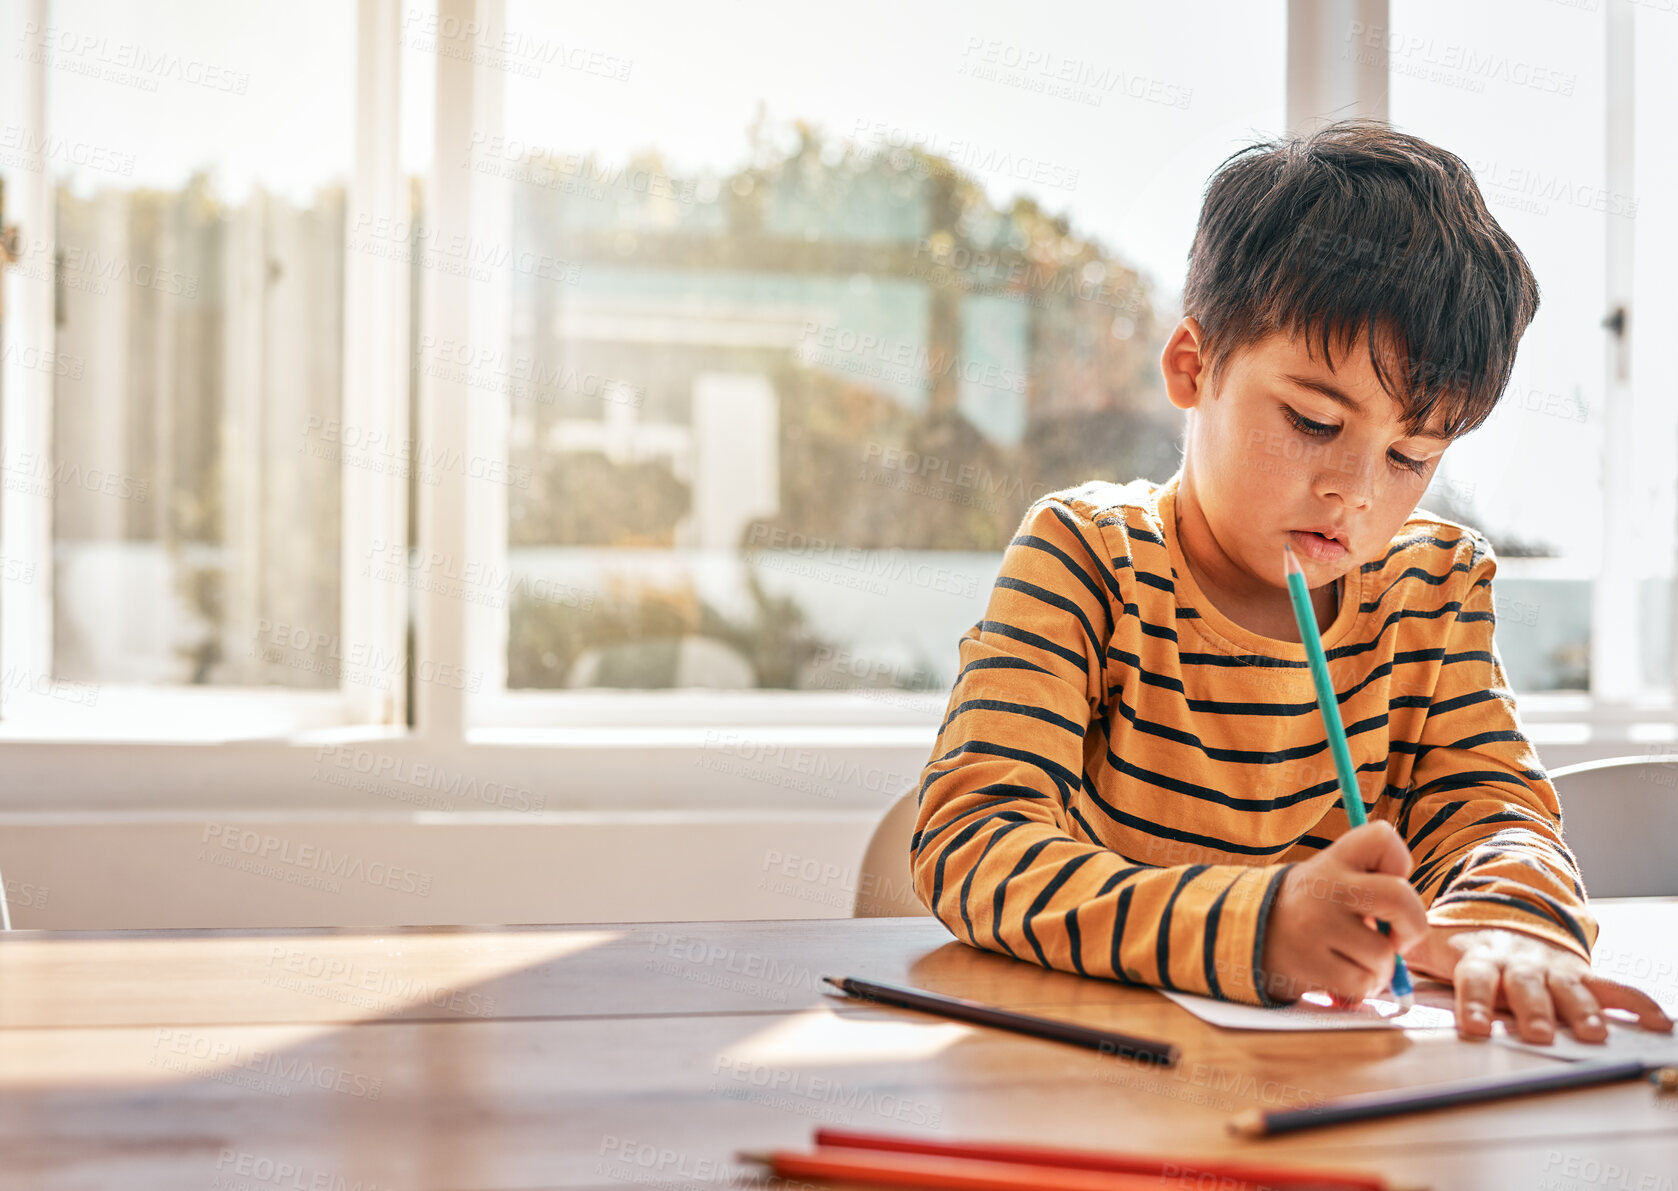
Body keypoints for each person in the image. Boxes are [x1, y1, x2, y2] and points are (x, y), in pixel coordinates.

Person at [910, 119, 1672, 1046]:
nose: (1353, 492)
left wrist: (1509, 925)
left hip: (1341, 1093)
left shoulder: (1431, 588)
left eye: (1409, 454)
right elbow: (973, 841)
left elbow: (1497, 815)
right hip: (1100, 1085)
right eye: (1314, 421)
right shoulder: (1087, 558)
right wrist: (1260, 924)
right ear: (1194, 366)